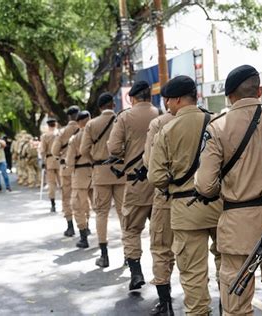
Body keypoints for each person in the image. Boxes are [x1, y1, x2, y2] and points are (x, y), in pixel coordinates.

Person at [194, 65, 262, 314]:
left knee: (237, 299)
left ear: (229, 96)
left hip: (238, 223)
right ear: (260, 91)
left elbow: (205, 185)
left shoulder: (218, 127)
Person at [148, 76, 222, 316]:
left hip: (184, 207)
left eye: (168, 100)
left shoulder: (167, 130)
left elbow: (156, 176)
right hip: (218, 204)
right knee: (227, 264)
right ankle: (231, 310)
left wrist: (174, 179)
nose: (167, 105)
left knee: (192, 272)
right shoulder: (217, 122)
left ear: (177, 99)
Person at [108, 81, 159, 290]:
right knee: (160, 234)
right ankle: (162, 280)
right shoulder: (161, 113)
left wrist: (125, 153)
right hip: (159, 183)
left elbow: (113, 147)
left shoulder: (125, 117)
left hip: (136, 183)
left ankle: (136, 272)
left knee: (131, 229)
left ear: (132, 97)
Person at [80, 92, 126, 268]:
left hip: (100, 173)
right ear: (113, 105)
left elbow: (84, 150)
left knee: (101, 213)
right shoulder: (122, 119)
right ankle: (128, 254)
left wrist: (95, 161)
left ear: (99, 107)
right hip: (121, 172)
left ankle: (104, 255)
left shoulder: (91, 124)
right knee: (124, 214)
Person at [143, 103, 175, 315]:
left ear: (169, 101)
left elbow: (149, 162)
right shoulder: (210, 119)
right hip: (204, 198)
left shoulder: (159, 123)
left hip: (166, 195)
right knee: (207, 255)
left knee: (161, 246)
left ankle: (165, 304)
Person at [65, 111, 93, 248]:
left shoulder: (75, 138)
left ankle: (83, 236)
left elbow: (69, 161)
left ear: (78, 123)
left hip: (80, 175)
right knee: (100, 208)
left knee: (78, 206)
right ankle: (102, 238)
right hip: (96, 173)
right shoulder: (96, 134)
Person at [52, 106, 80, 237]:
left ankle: (70, 226)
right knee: (83, 196)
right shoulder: (85, 129)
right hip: (82, 168)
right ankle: (85, 226)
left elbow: (54, 151)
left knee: (67, 197)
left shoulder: (62, 132)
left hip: (66, 168)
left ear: (69, 117)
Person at [40, 117, 61, 212]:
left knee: (51, 183)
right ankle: (66, 204)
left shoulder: (45, 136)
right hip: (60, 159)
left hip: (49, 160)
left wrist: (43, 162)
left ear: (48, 125)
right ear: (55, 124)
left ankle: (53, 204)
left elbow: (43, 150)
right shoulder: (60, 134)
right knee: (63, 182)